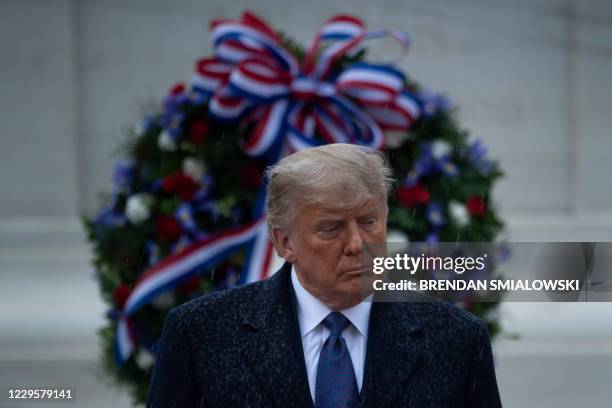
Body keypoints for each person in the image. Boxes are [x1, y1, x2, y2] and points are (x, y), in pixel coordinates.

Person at [146, 143, 502, 407]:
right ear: (285, 242)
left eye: (369, 222)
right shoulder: (201, 334)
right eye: (331, 228)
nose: (357, 244)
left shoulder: (457, 339)